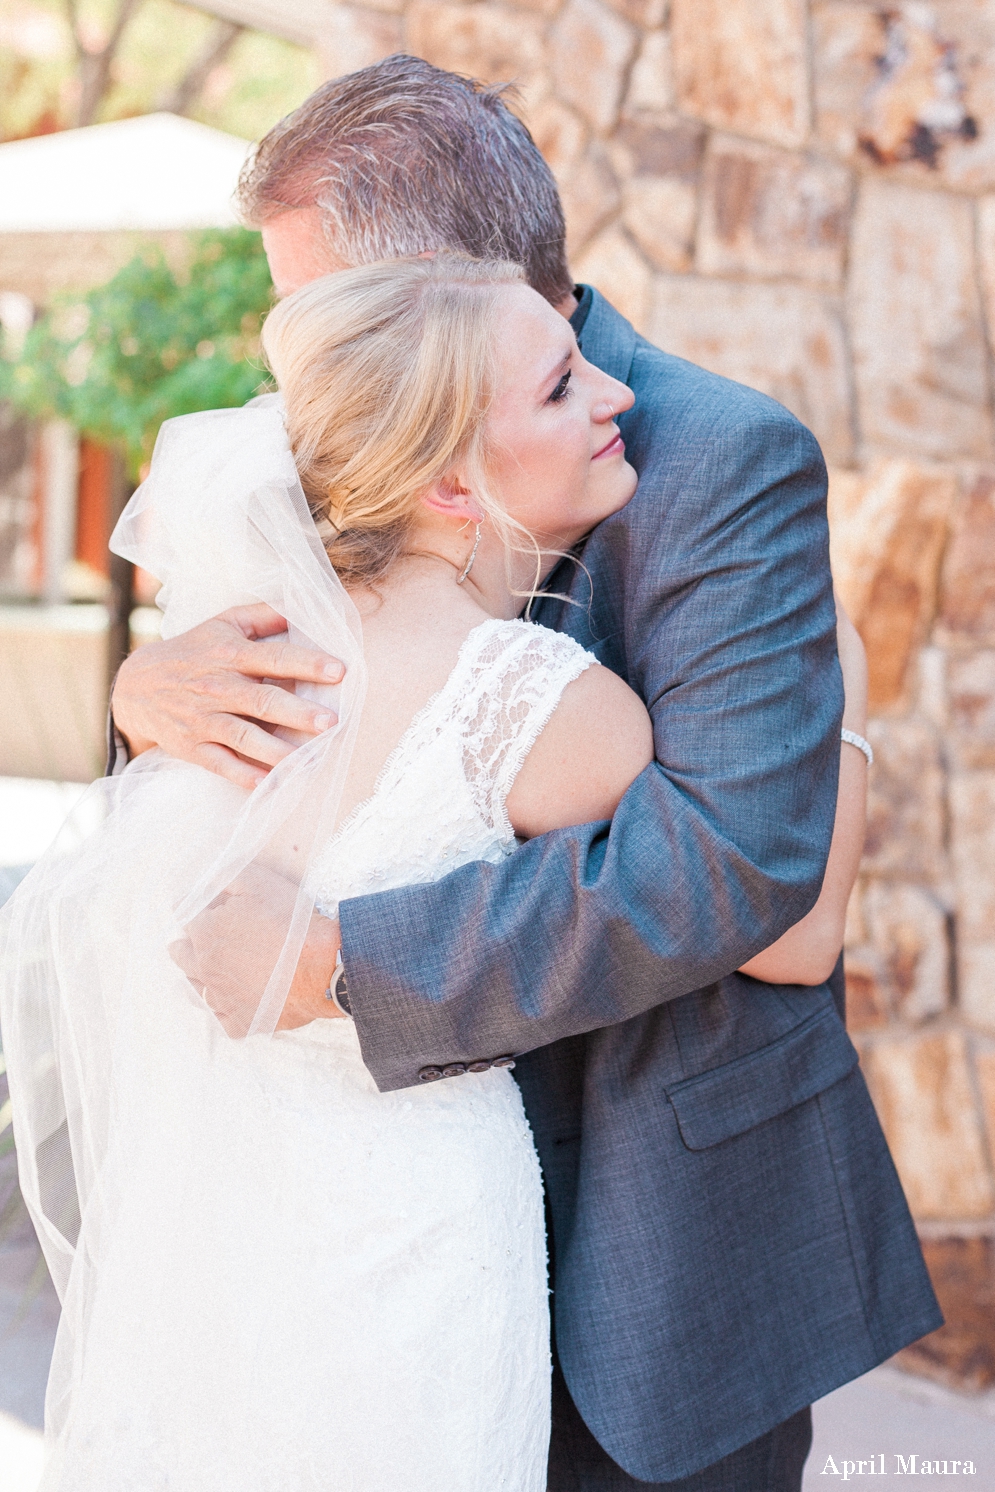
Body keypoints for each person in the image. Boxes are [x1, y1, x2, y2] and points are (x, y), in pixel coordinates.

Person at [106, 58, 941, 1492]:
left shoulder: (720, 460)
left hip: (663, 1234)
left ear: (440, 288)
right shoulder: (327, 449)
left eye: (308, 308)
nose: (289, 354)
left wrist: (341, 963)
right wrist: (147, 690)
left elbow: (741, 870)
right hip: (366, 1234)